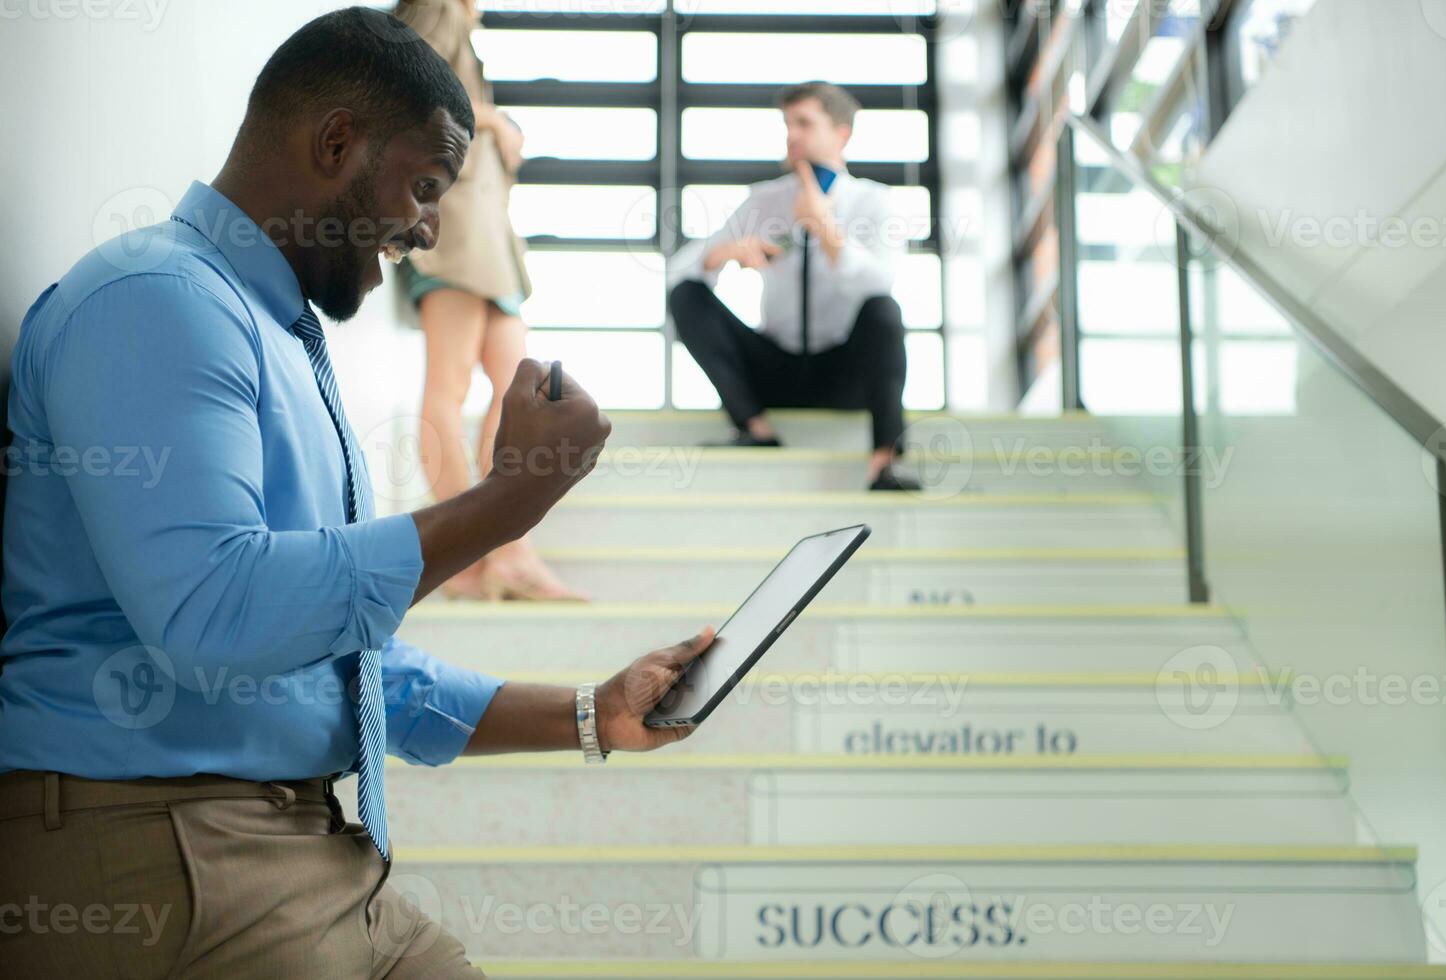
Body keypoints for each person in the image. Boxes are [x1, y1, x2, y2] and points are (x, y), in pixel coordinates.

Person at [0, 9, 710, 976]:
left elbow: (346, 665)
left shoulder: (268, 330)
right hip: (164, 846)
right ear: (337, 141)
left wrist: (592, 713)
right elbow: (216, 612)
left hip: (294, 849)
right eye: (423, 187)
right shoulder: (156, 299)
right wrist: (508, 504)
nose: (425, 229)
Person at [392, 0, 585, 601]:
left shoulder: (462, 20)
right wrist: (492, 120)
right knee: (448, 389)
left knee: (518, 390)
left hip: (488, 227)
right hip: (459, 222)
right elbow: (398, 84)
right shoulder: (437, 6)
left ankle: (509, 553)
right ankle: (464, 558)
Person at [669, 81, 917, 491]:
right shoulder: (764, 201)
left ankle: (883, 463)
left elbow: (880, 284)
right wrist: (725, 254)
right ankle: (755, 429)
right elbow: (682, 271)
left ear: (842, 133)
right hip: (776, 367)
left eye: (804, 123)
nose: (792, 135)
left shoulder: (875, 201)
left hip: (843, 371)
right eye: (787, 124)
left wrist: (825, 227)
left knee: (884, 311)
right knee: (686, 295)